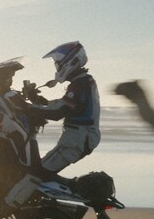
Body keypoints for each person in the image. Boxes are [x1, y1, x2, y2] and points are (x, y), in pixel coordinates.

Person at [25, 41, 100, 186]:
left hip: (77, 140)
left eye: (58, 63)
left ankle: (76, 194)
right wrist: (39, 102)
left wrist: (25, 108)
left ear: (71, 61)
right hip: (79, 137)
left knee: (38, 174)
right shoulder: (82, 81)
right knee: (42, 172)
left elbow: (58, 113)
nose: (57, 67)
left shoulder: (80, 84)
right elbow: (64, 105)